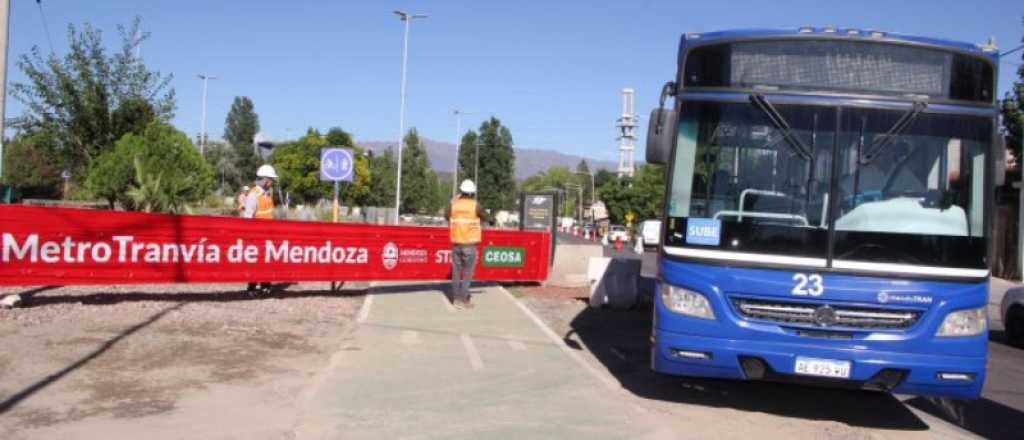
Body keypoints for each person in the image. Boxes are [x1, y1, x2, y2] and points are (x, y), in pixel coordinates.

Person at [447, 179, 488, 310]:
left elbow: (446, 215)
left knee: (456, 273)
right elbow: (486, 217)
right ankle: (463, 300)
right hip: (470, 244)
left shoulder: (453, 205)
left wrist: (454, 201)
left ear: (460, 191)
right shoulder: (475, 205)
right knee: (467, 274)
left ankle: (456, 299)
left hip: (456, 243)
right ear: (472, 193)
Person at [242, 165, 278, 295]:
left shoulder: (267, 194)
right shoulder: (254, 194)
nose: (272, 182)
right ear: (265, 179)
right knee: (256, 262)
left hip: (268, 235)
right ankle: (251, 287)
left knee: (267, 262)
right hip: (256, 236)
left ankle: (265, 285)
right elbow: (248, 217)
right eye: (271, 179)